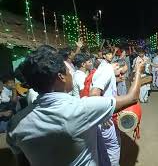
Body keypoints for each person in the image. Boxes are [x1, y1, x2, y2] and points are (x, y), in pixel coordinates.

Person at [6, 46, 144, 166]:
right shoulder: (81, 109)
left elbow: (22, 161)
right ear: (61, 77)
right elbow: (131, 98)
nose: (72, 74)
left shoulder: (15, 124)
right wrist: (138, 70)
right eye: (68, 72)